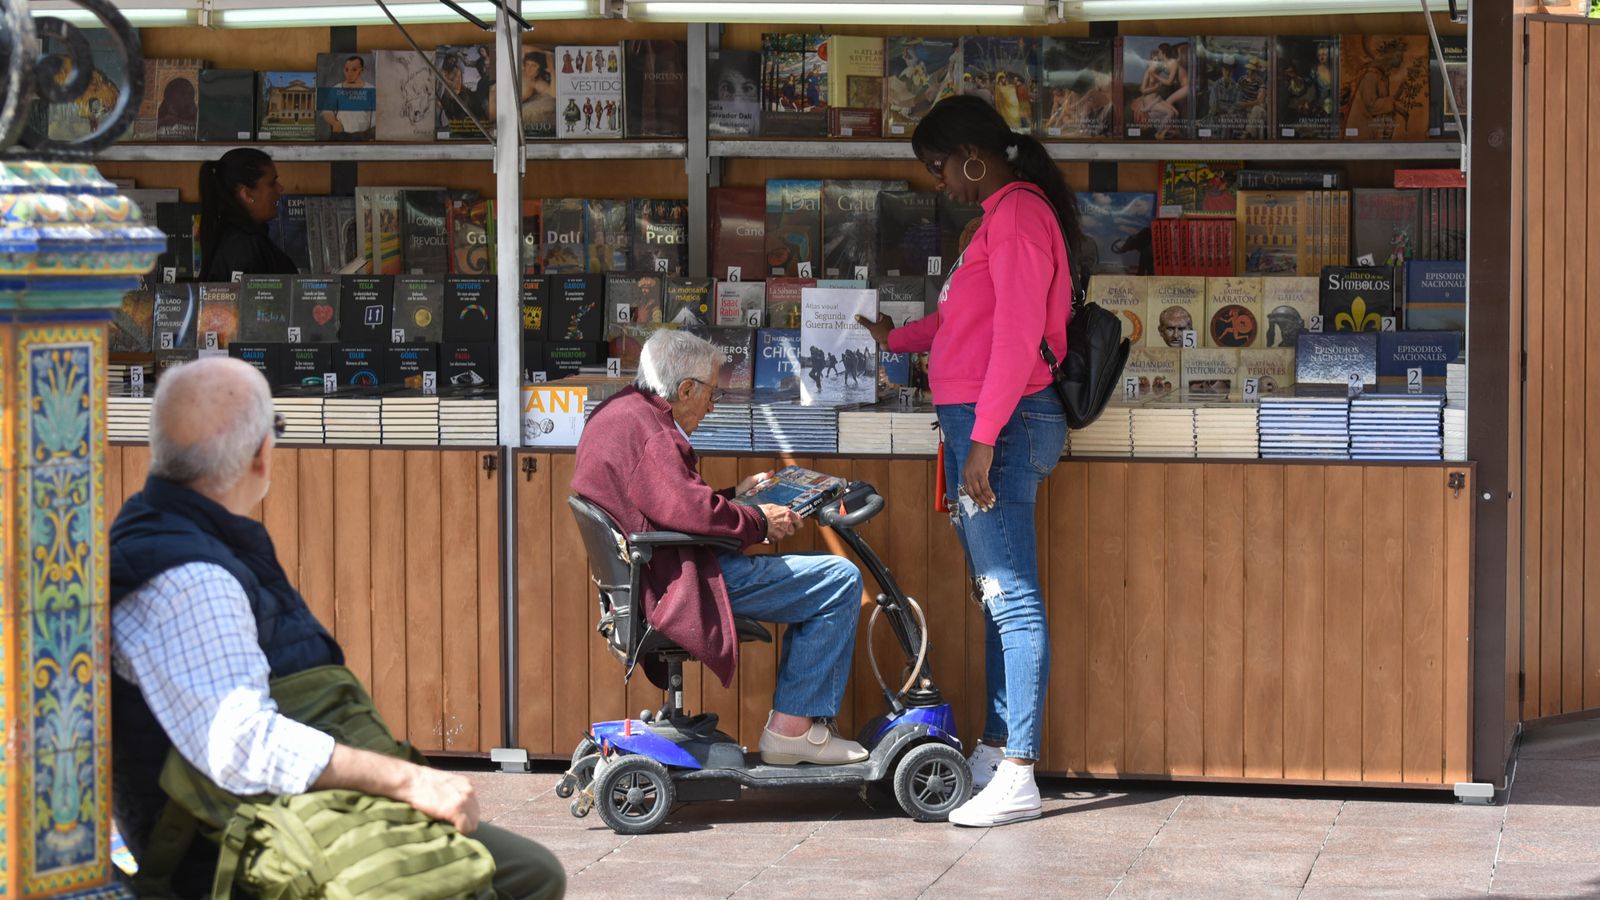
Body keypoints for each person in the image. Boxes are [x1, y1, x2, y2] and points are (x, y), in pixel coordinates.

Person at [109, 358, 564, 899]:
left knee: (532, 872)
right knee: (467, 883)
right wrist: (411, 779)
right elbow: (242, 745)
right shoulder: (189, 576)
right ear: (260, 453)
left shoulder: (190, 537)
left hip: (282, 808)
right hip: (233, 838)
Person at [857, 95, 1078, 827]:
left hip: (1002, 430)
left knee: (1010, 594)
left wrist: (982, 439)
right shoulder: (1003, 218)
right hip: (988, 423)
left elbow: (1015, 338)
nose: (939, 183)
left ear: (973, 157)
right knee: (995, 590)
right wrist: (897, 339)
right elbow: (964, 323)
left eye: (939, 166)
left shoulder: (1015, 217)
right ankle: (995, 748)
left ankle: (1019, 772)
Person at [571, 330, 869, 766]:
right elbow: (687, 510)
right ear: (686, 388)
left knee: (819, 577)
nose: (713, 405)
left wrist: (733, 499)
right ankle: (793, 731)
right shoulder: (652, 433)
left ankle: (796, 725)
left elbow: (673, 505)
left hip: (661, 570)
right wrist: (760, 519)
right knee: (840, 580)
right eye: (712, 392)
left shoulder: (620, 413)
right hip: (679, 581)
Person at [197, 148, 297, 282]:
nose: (280, 188)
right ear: (248, 194)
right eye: (272, 183)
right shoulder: (244, 246)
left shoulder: (234, 237)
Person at [321, 54, 374, 139]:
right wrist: (334, 123)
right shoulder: (336, 88)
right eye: (347, 70)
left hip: (363, 137)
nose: (349, 73)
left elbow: (375, 118)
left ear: (362, 70)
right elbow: (327, 111)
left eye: (354, 70)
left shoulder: (371, 90)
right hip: (340, 136)